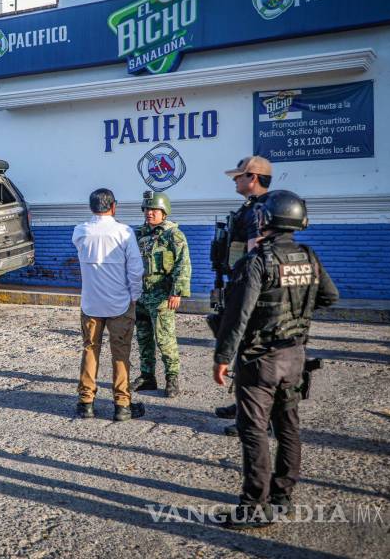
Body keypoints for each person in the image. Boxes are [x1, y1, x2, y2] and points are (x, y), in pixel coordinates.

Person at [212, 190, 339, 528]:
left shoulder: (257, 261)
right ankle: (282, 496)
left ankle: (255, 506)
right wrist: (296, 313)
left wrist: (222, 357)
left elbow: (238, 316)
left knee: (253, 430)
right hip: (295, 356)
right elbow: (329, 296)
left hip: (260, 360)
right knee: (288, 426)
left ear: (265, 220)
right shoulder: (309, 256)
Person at [72, 188, 145, 422]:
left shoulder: (80, 231)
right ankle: (122, 405)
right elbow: (136, 269)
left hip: (91, 303)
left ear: (91, 207)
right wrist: (135, 295)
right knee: (120, 352)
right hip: (120, 303)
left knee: (90, 349)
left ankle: (86, 403)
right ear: (114, 206)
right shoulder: (124, 232)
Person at [214, 156, 273, 428]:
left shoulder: (261, 210)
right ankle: (242, 404)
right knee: (244, 351)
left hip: (252, 288)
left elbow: (256, 254)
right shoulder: (250, 207)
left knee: (252, 353)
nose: (235, 180)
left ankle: (252, 416)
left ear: (253, 177)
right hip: (239, 281)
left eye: (239, 176)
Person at [131, 191, 191, 398]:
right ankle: (147, 377)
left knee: (165, 339)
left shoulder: (173, 235)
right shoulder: (138, 234)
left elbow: (183, 264)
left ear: (164, 212)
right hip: (141, 294)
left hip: (162, 296)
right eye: (147, 209)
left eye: (154, 210)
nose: (149, 213)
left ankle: (172, 378)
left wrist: (177, 292)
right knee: (143, 338)